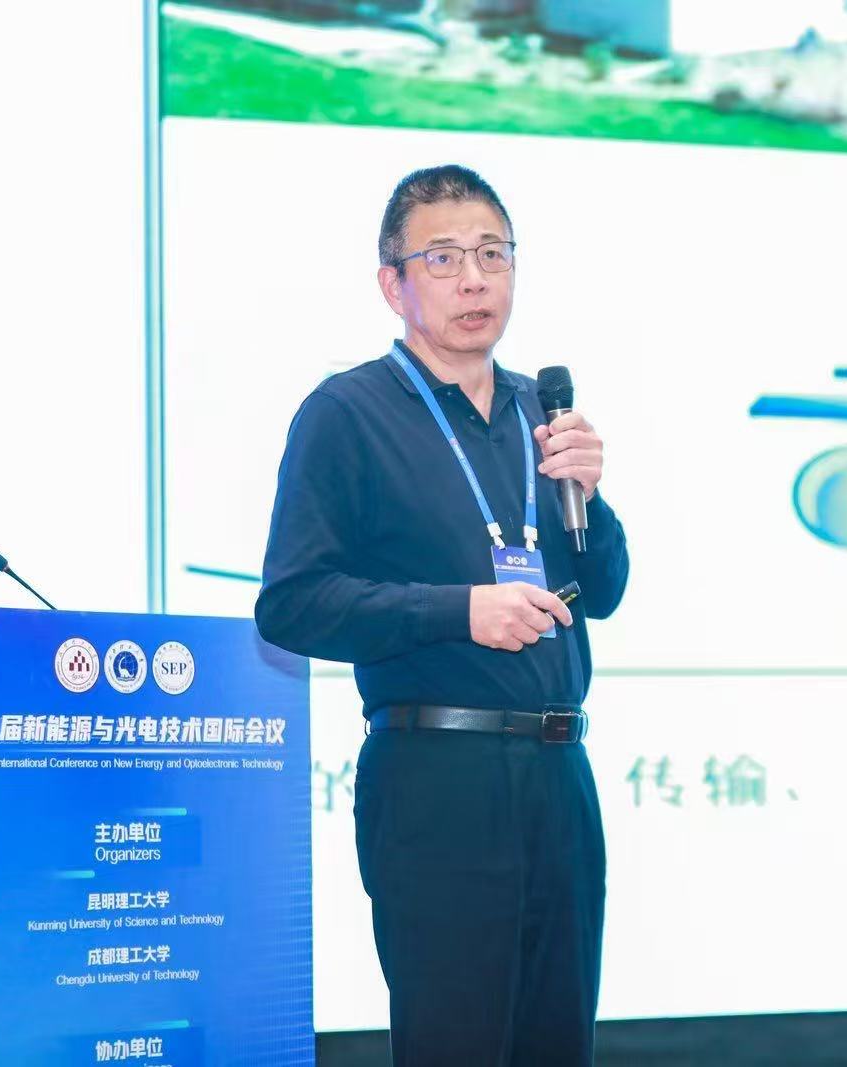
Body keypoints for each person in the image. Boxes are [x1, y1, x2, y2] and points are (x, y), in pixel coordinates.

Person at [255, 164, 631, 1065]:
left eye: (493, 255)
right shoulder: (347, 414)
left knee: (558, 1042)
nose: (474, 279)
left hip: (561, 776)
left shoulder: (540, 413)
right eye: (445, 258)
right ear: (395, 284)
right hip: (437, 780)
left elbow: (607, 589)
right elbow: (293, 603)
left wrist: (590, 493)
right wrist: (460, 611)